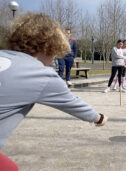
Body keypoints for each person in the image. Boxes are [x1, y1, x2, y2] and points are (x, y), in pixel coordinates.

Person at [0, 13, 108, 170]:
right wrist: (98, 118)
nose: (54, 58)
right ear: (47, 47)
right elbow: (72, 103)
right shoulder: (41, 74)